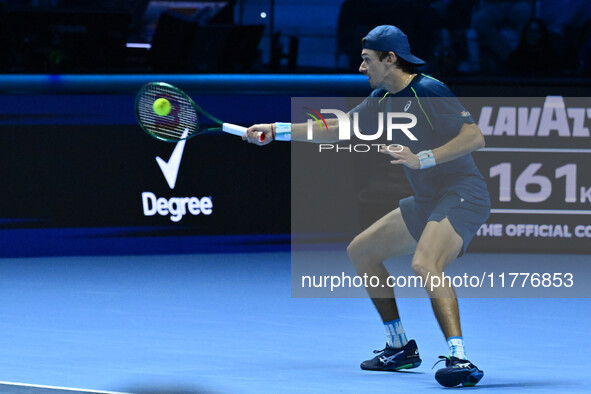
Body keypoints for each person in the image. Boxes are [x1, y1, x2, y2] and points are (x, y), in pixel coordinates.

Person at [243, 25, 490, 388]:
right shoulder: (382, 99)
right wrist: (276, 129)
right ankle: (399, 347)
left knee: (425, 262)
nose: (361, 67)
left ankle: (459, 357)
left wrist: (424, 158)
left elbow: (474, 137)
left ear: (391, 59)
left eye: (367, 60)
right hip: (425, 200)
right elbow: (336, 129)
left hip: (462, 194)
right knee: (362, 251)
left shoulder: (428, 90)